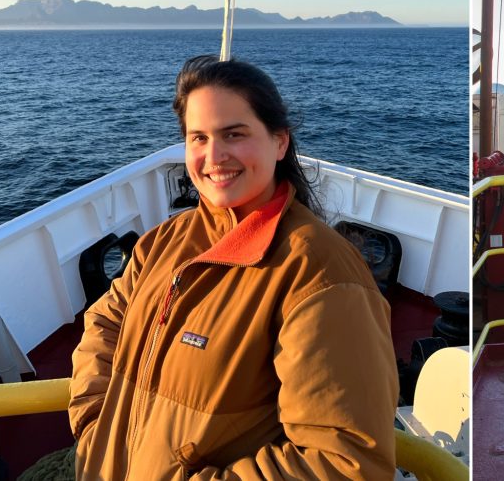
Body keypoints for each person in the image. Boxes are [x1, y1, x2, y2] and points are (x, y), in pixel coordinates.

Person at [68, 55, 398, 479]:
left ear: (280, 142)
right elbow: (105, 322)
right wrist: (97, 424)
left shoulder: (318, 274)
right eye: (198, 138)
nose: (214, 156)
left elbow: (347, 462)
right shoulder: (169, 239)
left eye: (234, 134)